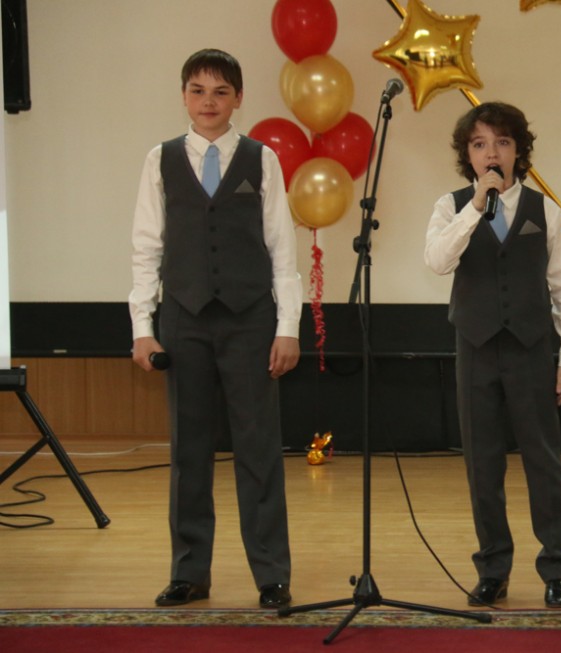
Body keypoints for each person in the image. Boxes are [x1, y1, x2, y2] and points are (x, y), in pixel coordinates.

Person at [129, 49, 301, 610]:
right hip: (183, 320)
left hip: (251, 321)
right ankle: (189, 573)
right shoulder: (159, 160)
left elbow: (282, 250)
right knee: (189, 451)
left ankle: (272, 575)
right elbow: (146, 248)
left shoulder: (262, 159)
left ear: (238, 98)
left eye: (221, 91)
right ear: (184, 96)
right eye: (198, 90)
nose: (209, 101)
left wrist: (288, 326)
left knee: (258, 450)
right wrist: (142, 326)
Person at [424, 102, 561, 609]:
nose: (491, 153)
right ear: (467, 155)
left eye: (501, 142)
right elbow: (437, 261)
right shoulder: (451, 206)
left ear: (518, 150)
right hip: (474, 349)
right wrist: (476, 207)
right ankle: (493, 569)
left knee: (543, 461)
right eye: (479, 144)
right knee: (483, 465)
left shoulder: (545, 210)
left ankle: (557, 568)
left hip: (531, 349)